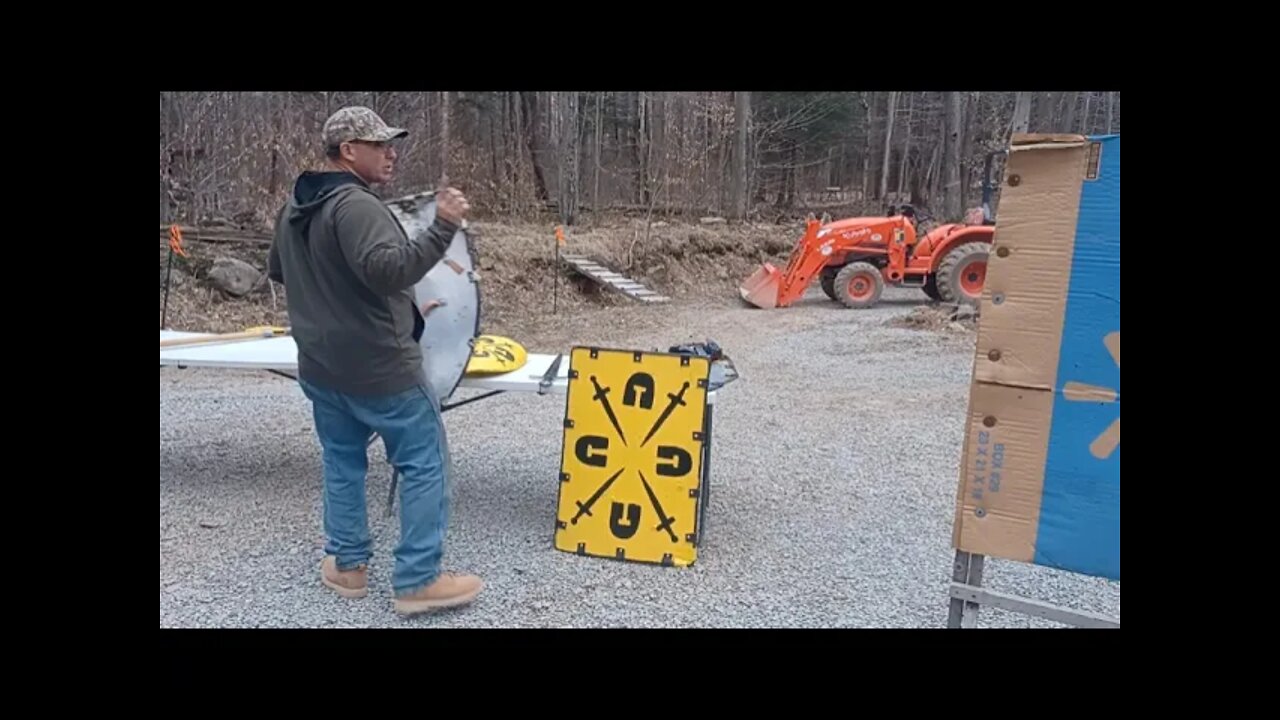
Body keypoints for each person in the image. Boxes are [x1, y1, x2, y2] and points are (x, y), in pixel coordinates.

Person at [267, 105, 483, 615]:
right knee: (424, 461)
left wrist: (361, 304)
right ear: (347, 151)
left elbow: (282, 271)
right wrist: (443, 226)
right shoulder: (356, 206)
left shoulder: (296, 207)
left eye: (392, 143)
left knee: (342, 461)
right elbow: (388, 271)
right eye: (379, 144)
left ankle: (347, 566)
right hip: (381, 369)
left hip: (322, 367)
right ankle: (418, 581)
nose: (392, 153)